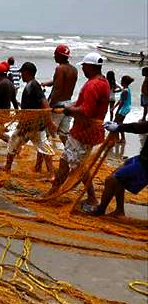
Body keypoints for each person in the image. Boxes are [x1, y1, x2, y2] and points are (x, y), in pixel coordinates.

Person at [47, 52, 110, 209]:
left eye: (84, 66)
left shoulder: (92, 85)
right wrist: (69, 105)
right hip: (87, 130)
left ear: (90, 66)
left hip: (84, 131)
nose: (83, 69)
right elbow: (84, 103)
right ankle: (54, 190)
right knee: (65, 160)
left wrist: (69, 110)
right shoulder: (103, 82)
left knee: (79, 166)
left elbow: (85, 111)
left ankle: (92, 198)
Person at [86, 120, 147, 217]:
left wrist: (118, 127)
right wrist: (119, 127)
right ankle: (119, 210)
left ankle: (100, 210)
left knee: (111, 180)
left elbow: (141, 127)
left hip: (145, 164)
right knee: (118, 179)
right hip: (142, 157)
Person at [5, 62, 55, 174]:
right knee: (14, 142)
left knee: (43, 147)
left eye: (22, 73)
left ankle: (52, 174)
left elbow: (45, 105)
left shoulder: (34, 85)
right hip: (27, 125)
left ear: (27, 73)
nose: (21, 75)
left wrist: (50, 123)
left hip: (33, 125)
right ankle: (7, 168)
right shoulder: (30, 85)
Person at [41, 45, 78, 145]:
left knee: (46, 134)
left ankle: (41, 159)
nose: (54, 56)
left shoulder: (60, 69)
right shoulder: (74, 70)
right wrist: (46, 83)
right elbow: (60, 82)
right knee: (63, 134)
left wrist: (49, 107)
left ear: (59, 55)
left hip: (57, 105)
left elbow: (57, 90)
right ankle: (70, 155)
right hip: (68, 104)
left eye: (55, 54)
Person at [113, 75, 134, 143]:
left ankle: (119, 138)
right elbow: (120, 100)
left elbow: (122, 102)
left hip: (124, 108)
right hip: (126, 107)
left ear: (124, 82)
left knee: (117, 123)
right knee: (119, 123)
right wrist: (114, 107)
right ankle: (120, 138)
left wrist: (117, 111)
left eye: (121, 80)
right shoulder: (125, 89)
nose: (120, 81)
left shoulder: (125, 91)